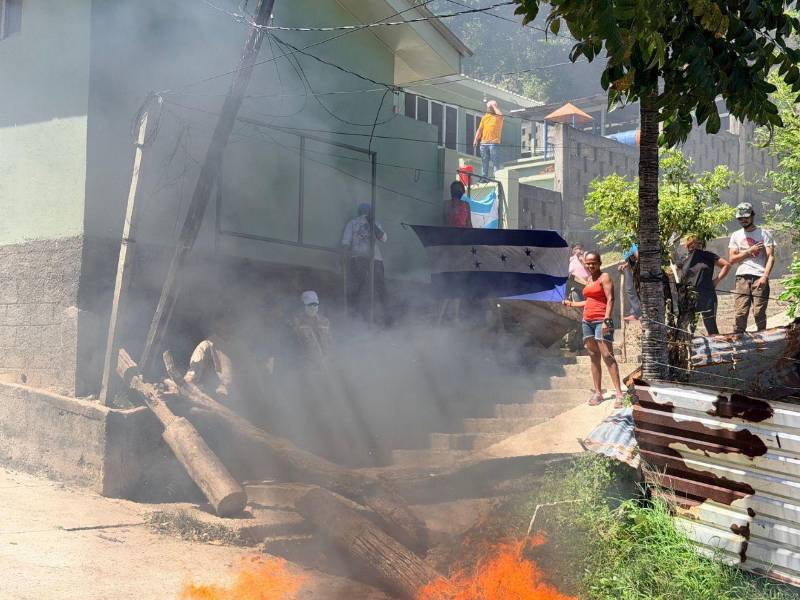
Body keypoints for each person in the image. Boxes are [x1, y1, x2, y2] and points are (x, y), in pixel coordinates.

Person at [563, 251, 625, 408]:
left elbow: (610, 298)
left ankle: (619, 394)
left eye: (593, 262)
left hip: (601, 321)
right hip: (587, 321)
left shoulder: (605, 277)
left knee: (607, 355)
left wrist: (606, 320)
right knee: (593, 356)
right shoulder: (589, 280)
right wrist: (572, 304)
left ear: (599, 263)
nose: (590, 265)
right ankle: (598, 393)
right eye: (588, 263)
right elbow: (589, 301)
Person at [728, 202, 775, 333]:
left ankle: (762, 337)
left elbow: (771, 257)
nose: (743, 220)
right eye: (740, 218)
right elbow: (732, 259)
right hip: (742, 277)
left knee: (759, 312)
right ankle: (738, 338)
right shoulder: (736, 235)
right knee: (740, 312)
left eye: (746, 217)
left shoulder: (764, 233)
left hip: (760, 275)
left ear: (752, 216)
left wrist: (765, 276)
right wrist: (749, 251)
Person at [341, 203, 389, 323]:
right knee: (371, 286)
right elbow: (384, 239)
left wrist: (372, 223)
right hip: (362, 258)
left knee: (369, 286)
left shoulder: (368, 223)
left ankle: (380, 315)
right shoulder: (354, 223)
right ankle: (360, 316)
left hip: (369, 258)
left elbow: (345, 243)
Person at [678, 234, 730, 335]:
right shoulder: (684, 259)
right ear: (688, 245)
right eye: (693, 243)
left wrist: (716, 281)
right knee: (689, 327)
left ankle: (716, 343)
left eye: (699, 244)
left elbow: (726, 265)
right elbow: (677, 272)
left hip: (707, 295)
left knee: (710, 324)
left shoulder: (708, 255)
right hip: (689, 296)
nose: (696, 246)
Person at [291, 290, 332, 370]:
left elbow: (329, 343)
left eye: (315, 304)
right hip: (304, 367)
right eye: (309, 304)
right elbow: (293, 346)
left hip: (325, 365)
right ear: (303, 306)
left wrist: (329, 360)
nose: (313, 307)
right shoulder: (296, 322)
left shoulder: (325, 322)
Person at [473, 100, 504, 179]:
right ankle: (484, 177)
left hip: (494, 143)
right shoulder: (485, 117)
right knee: (484, 161)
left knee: (495, 161)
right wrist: (476, 139)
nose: (489, 108)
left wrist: (493, 105)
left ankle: (497, 177)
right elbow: (480, 130)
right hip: (483, 143)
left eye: (490, 107)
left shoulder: (498, 117)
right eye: (488, 107)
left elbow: (501, 115)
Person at [618, 243, 641, 320]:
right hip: (630, 263)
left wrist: (638, 265)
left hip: (637, 265)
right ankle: (636, 313)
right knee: (630, 289)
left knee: (637, 288)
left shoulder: (629, 240)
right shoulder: (624, 241)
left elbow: (637, 255)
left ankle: (639, 313)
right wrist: (625, 265)